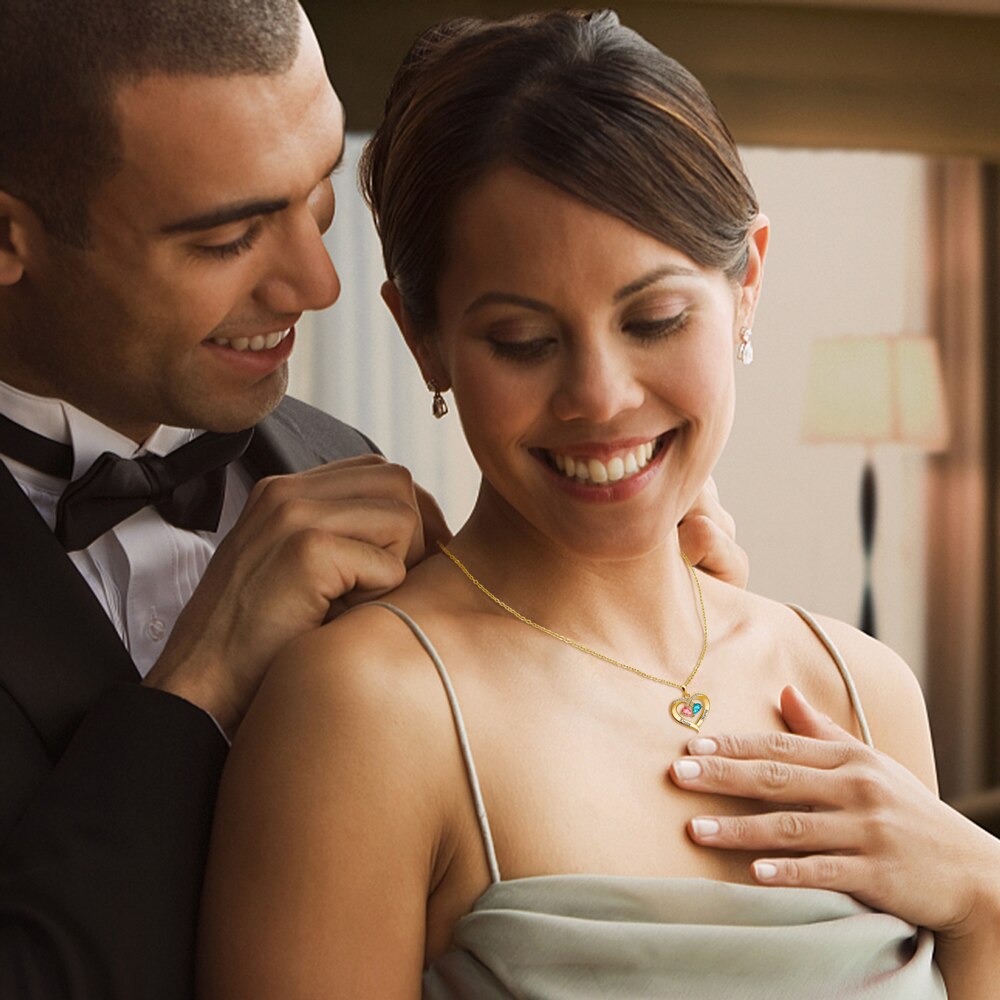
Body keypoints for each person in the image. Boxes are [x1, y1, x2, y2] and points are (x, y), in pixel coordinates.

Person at [199, 10, 997, 998]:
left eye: (654, 319)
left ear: (747, 282)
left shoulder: (864, 689)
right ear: (424, 340)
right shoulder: (367, 711)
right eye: (524, 342)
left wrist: (985, 898)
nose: (600, 398)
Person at [0, 2, 743, 997]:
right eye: (228, 238)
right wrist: (199, 685)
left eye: (316, 204)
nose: (319, 284)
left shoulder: (338, 466)